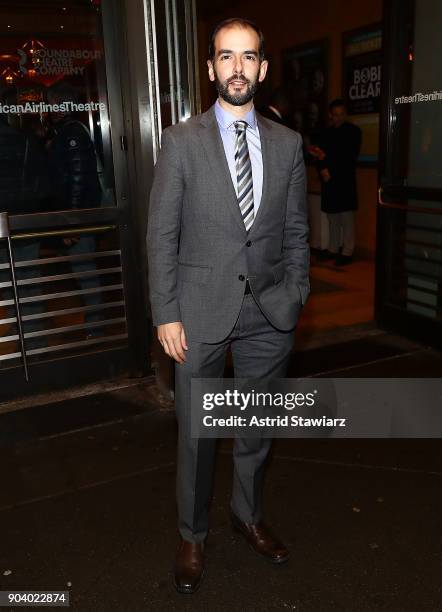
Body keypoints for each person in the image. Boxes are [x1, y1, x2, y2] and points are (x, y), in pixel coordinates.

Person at [147, 17, 309, 594]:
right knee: (196, 433)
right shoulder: (181, 141)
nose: (237, 67)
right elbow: (162, 234)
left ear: (263, 68)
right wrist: (165, 312)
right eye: (226, 56)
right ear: (211, 67)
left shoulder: (289, 145)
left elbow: (295, 232)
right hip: (197, 311)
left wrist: (296, 292)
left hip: (269, 311)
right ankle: (192, 535)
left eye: (248, 57)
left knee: (256, 424)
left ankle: (246, 516)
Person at [314, 99, 362, 265]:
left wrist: (328, 165)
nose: (339, 118)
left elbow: (349, 157)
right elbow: (318, 154)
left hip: (345, 180)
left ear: (345, 115)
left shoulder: (354, 132)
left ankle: (348, 251)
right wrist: (322, 169)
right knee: (332, 217)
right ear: (330, 115)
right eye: (335, 115)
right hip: (329, 180)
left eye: (342, 114)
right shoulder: (325, 133)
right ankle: (333, 249)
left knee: (346, 217)